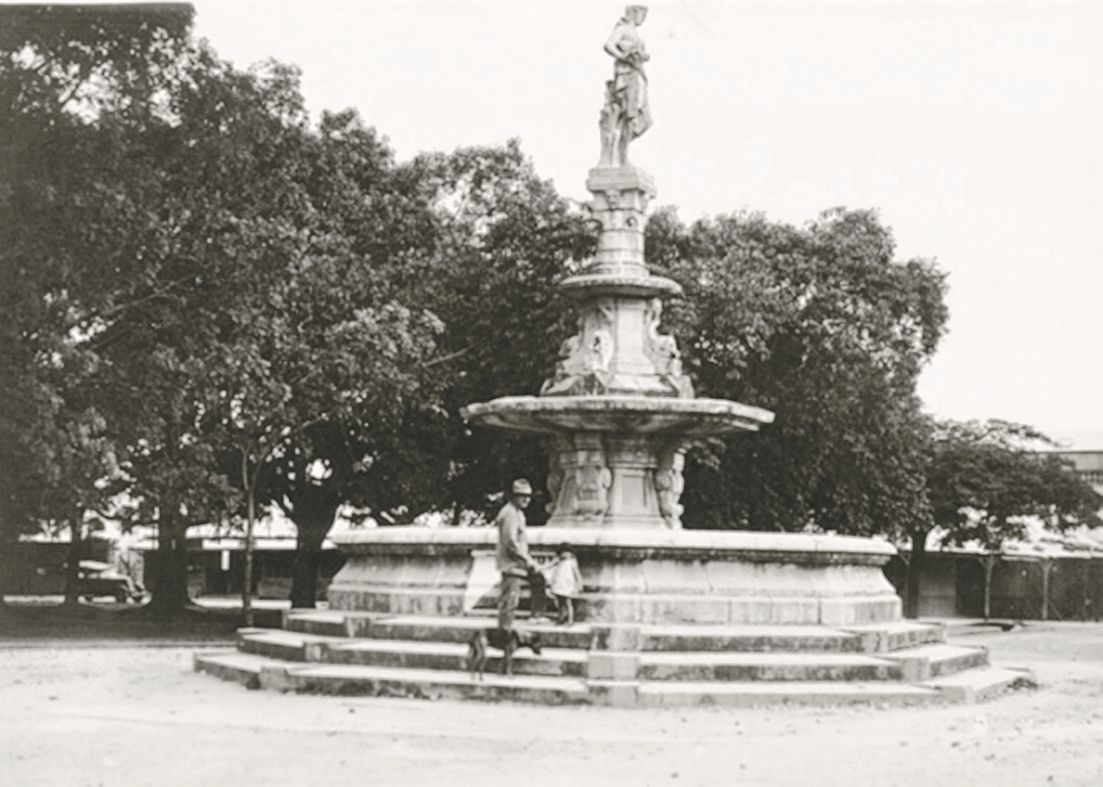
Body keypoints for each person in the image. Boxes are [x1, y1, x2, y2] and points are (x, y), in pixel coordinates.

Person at [599, 5, 652, 167]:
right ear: (634, 12)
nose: (643, 18)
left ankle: (621, 153)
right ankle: (621, 157)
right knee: (629, 115)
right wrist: (623, 56)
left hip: (637, 74)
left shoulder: (634, 32)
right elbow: (608, 45)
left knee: (645, 119)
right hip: (627, 75)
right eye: (643, 14)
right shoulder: (623, 28)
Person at [495, 478, 547, 629]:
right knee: (509, 602)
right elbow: (510, 542)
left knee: (537, 580)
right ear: (513, 496)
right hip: (512, 565)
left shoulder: (518, 513)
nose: (526, 499)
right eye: (522, 495)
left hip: (518, 564)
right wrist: (528, 560)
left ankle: (537, 614)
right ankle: (504, 633)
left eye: (529, 496)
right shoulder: (509, 513)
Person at [548, 547, 583, 625]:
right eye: (563, 552)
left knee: (568, 603)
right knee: (560, 603)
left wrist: (579, 583)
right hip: (560, 584)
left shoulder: (572, 562)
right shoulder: (558, 562)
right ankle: (561, 618)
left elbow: (577, 573)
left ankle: (570, 619)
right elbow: (552, 570)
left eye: (567, 552)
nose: (565, 554)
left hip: (568, 585)